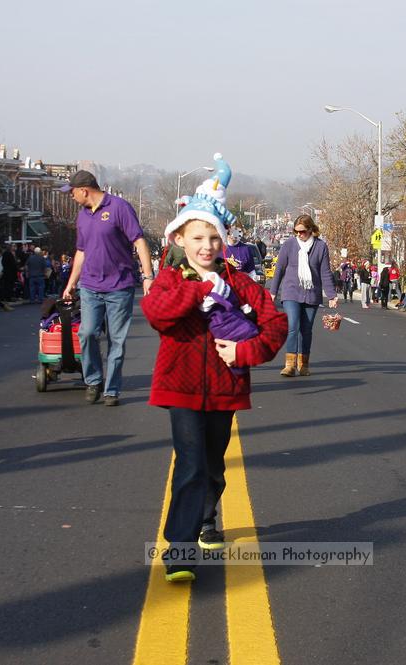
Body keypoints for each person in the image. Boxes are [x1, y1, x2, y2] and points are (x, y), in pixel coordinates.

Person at [140, 159, 287, 583]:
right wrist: (200, 290)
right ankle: (180, 550)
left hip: (225, 388)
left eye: (213, 238)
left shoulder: (240, 284)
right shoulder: (170, 280)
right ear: (180, 238)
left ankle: (206, 518)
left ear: (222, 242)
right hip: (180, 388)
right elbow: (157, 314)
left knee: (213, 464)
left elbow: (276, 324)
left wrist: (245, 352)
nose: (206, 246)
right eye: (197, 237)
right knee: (189, 463)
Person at [61, 169, 155, 406]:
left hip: (119, 286)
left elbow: (139, 241)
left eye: (72, 192)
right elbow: (81, 251)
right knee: (87, 333)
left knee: (116, 340)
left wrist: (148, 276)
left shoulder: (120, 208)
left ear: (84, 190)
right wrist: (71, 284)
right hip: (90, 286)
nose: (71, 196)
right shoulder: (82, 216)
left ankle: (111, 390)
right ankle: (93, 380)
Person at [268, 213, 338, 377]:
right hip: (291, 292)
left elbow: (325, 272)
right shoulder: (289, 245)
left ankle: (303, 364)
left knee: (306, 330)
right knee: (293, 326)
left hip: (311, 293)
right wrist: (272, 292)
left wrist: (332, 295)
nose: (299, 234)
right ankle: (289, 365)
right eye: (296, 231)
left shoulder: (320, 247)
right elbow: (279, 269)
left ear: (311, 230)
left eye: (303, 231)